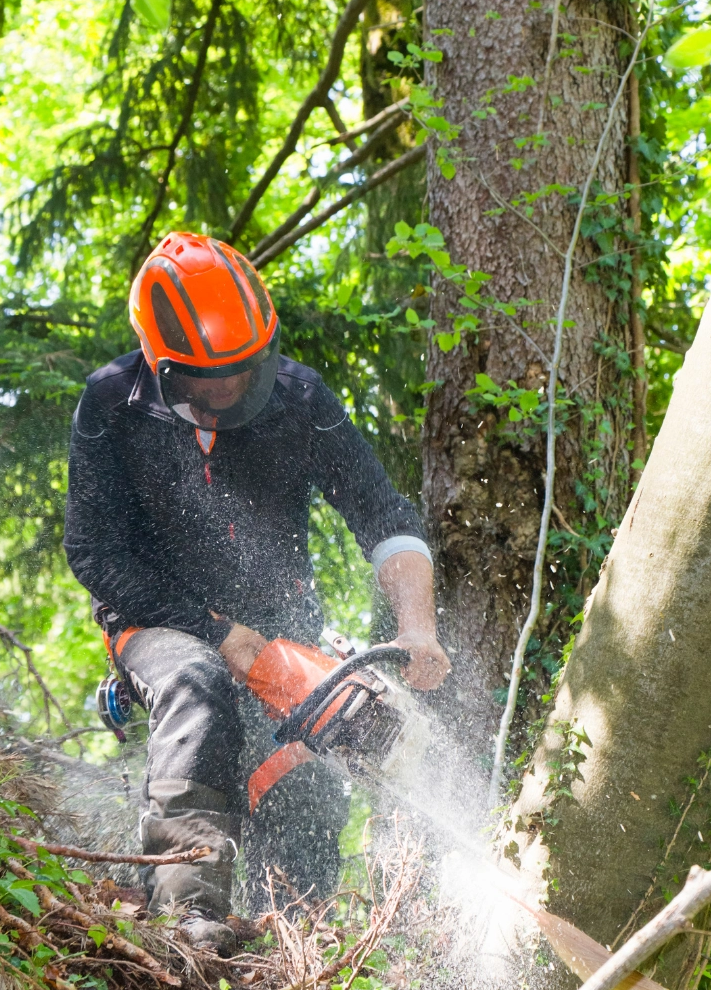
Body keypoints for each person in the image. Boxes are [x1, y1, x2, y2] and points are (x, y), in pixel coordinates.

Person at [64, 232, 449, 953]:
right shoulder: (114, 403)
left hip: (281, 628)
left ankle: (295, 959)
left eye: (242, 373)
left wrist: (416, 625)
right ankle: (188, 916)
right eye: (208, 381)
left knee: (304, 789)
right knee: (197, 681)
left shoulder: (299, 400)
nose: (229, 392)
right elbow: (93, 552)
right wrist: (218, 632)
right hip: (154, 616)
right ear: (162, 363)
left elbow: (382, 513)